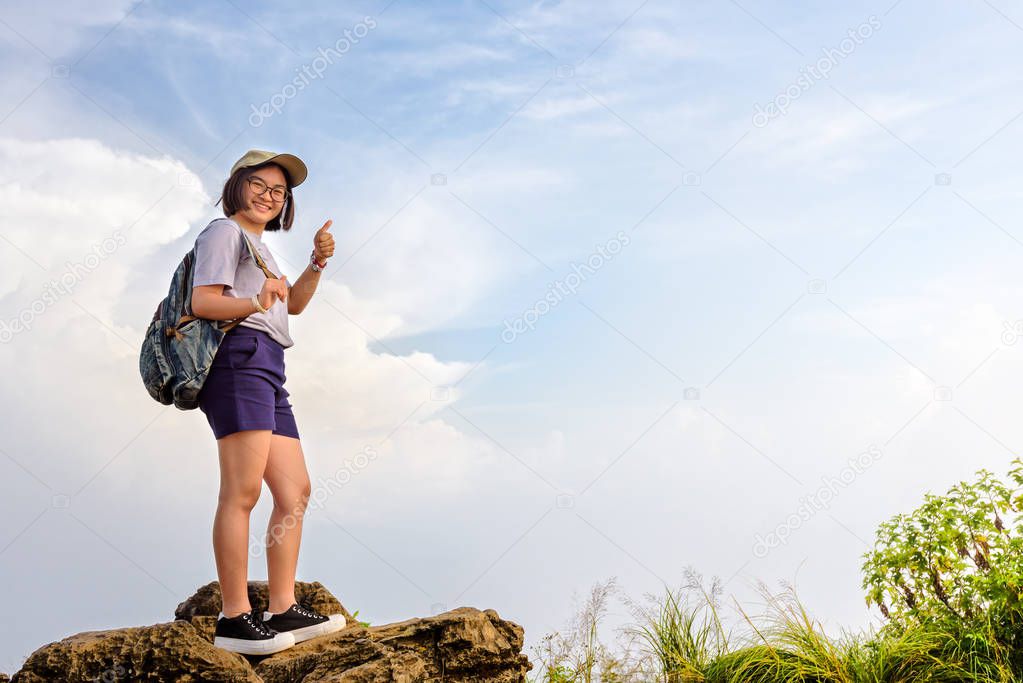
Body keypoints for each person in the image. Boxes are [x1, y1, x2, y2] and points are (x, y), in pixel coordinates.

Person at [190, 149, 342, 655]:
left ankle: (281, 609)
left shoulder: (260, 248)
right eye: (259, 184)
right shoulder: (222, 233)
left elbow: (293, 303)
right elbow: (203, 301)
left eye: (279, 192)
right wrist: (257, 301)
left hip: (270, 363)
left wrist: (317, 262)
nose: (269, 196)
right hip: (239, 357)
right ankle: (233, 618)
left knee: (295, 490)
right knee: (242, 491)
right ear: (237, 185)